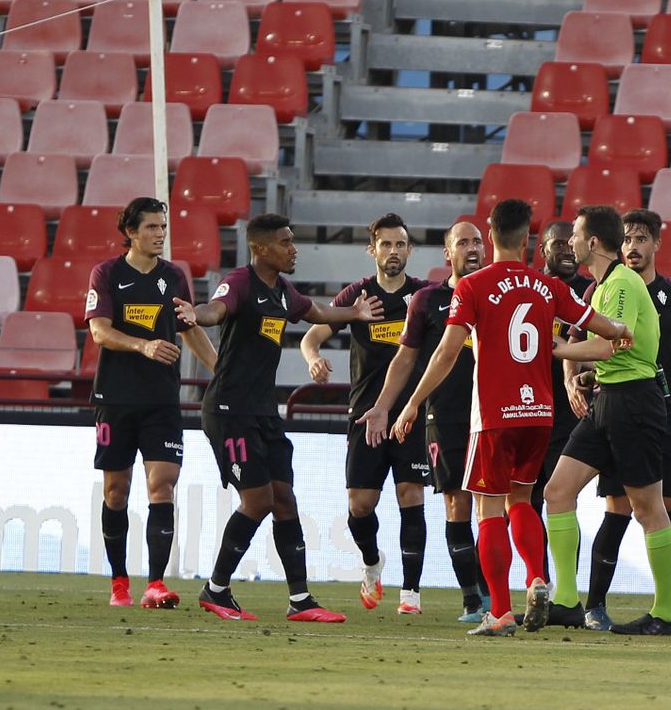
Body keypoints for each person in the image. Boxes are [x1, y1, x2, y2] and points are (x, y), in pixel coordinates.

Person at [375, 199, 633, 637]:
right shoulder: (548, 286)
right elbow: (602, 326)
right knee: (523, 499)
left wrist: (414, 400)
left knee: (488, 506)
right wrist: (622, 332)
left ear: (491, 236)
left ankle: (500, 611)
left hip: (494, 415)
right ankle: (537, 577)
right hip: (540, 414)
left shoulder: (473, 287)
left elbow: (447, 351)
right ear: (529, 240)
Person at [175, 212, 382, 624]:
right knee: (259, 500)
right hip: (229, 411)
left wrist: (355, 314)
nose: (293, 249)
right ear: (260, 248)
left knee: (285, 500)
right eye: (285, 242)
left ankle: (300, 600)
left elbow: (318, 313)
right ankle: (215, 589)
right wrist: (195, 314)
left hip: (263, 413)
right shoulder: (239, 283)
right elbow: (216, 310)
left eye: (292, 241)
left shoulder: (283, 292)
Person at [542, 205, 671, 636]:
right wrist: (582, 370)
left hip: (634, 403)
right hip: (610, 398)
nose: (570, 243)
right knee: (557, 490)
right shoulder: (602, 287)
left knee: (647, 509)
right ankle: (566, 601)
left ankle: (666, 614)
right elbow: (615, 350)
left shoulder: (619, 281)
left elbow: (614, 341)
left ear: (594, 243)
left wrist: (556, 351)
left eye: (576, 235)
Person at [582, 209, 671, 634]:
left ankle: (670, 611)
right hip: (616, 408)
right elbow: (578, 344)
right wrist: (571, 380)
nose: (633, 247)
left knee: (669, 511)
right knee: (617, 509)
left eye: (641, 239)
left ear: (657, 244)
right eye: (627, 240)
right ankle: (594, 607)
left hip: (663, 413)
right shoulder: (601, 290)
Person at [85, 198, 218, 609]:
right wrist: (143, 345)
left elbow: (189, 328)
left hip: (162, 400)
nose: (160, 234)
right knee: (116, 492)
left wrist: (222, 374)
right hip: (117, 398)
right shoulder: (106, 274)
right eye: (152, 228)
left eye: (163, 227)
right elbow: (100, 332)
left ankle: (156, 583)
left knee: (163, 485)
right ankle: (119, 583)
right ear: (130, 231)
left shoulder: (175, 276)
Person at [299, 214, 431, 612]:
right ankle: (372, 564)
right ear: (372, 250)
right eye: (386, 245)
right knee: (360, 506)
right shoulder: (356, 296)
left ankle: (411, 592)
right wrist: (313, 358)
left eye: (400, 244)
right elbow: (313, 334)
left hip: (410, 411)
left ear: (410, 250)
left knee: (411, 496)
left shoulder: (424, 296)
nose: (393, 251)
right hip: (365, 414)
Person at [361, 220, 487, 619]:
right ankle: (475, 599)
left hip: (497, 413)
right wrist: (385, 405)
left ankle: (507, 596)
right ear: (447, 254)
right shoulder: (427, 300)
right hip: (447, 416)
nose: (472, 248)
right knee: (458, 504)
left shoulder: (499, 297)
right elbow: (405, 358)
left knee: (499, 508)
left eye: (478, 241)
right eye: (462, 242)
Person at [532, 220, 595, 523]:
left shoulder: (592, 289)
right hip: (526, 409)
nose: (567, 249)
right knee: (525, 503)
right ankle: (537, 572)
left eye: (571, 242)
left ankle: (564, 573)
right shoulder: (527, 288)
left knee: (562, 503)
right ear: (541, 249)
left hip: (569, 415)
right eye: (558, 244)